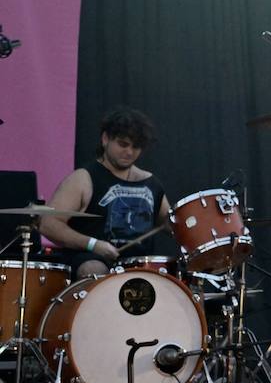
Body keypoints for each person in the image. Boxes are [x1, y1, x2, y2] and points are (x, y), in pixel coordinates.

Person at [39, 106, 172, 279]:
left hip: (140, 265)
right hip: (93, 259)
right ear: (105, 139)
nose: (129, 152)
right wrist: (92, 244)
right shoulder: (83, 179)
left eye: (136, 147)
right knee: (93, 269)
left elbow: (171, 223)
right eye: (123, 144)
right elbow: (48, 224)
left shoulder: (151, 183)